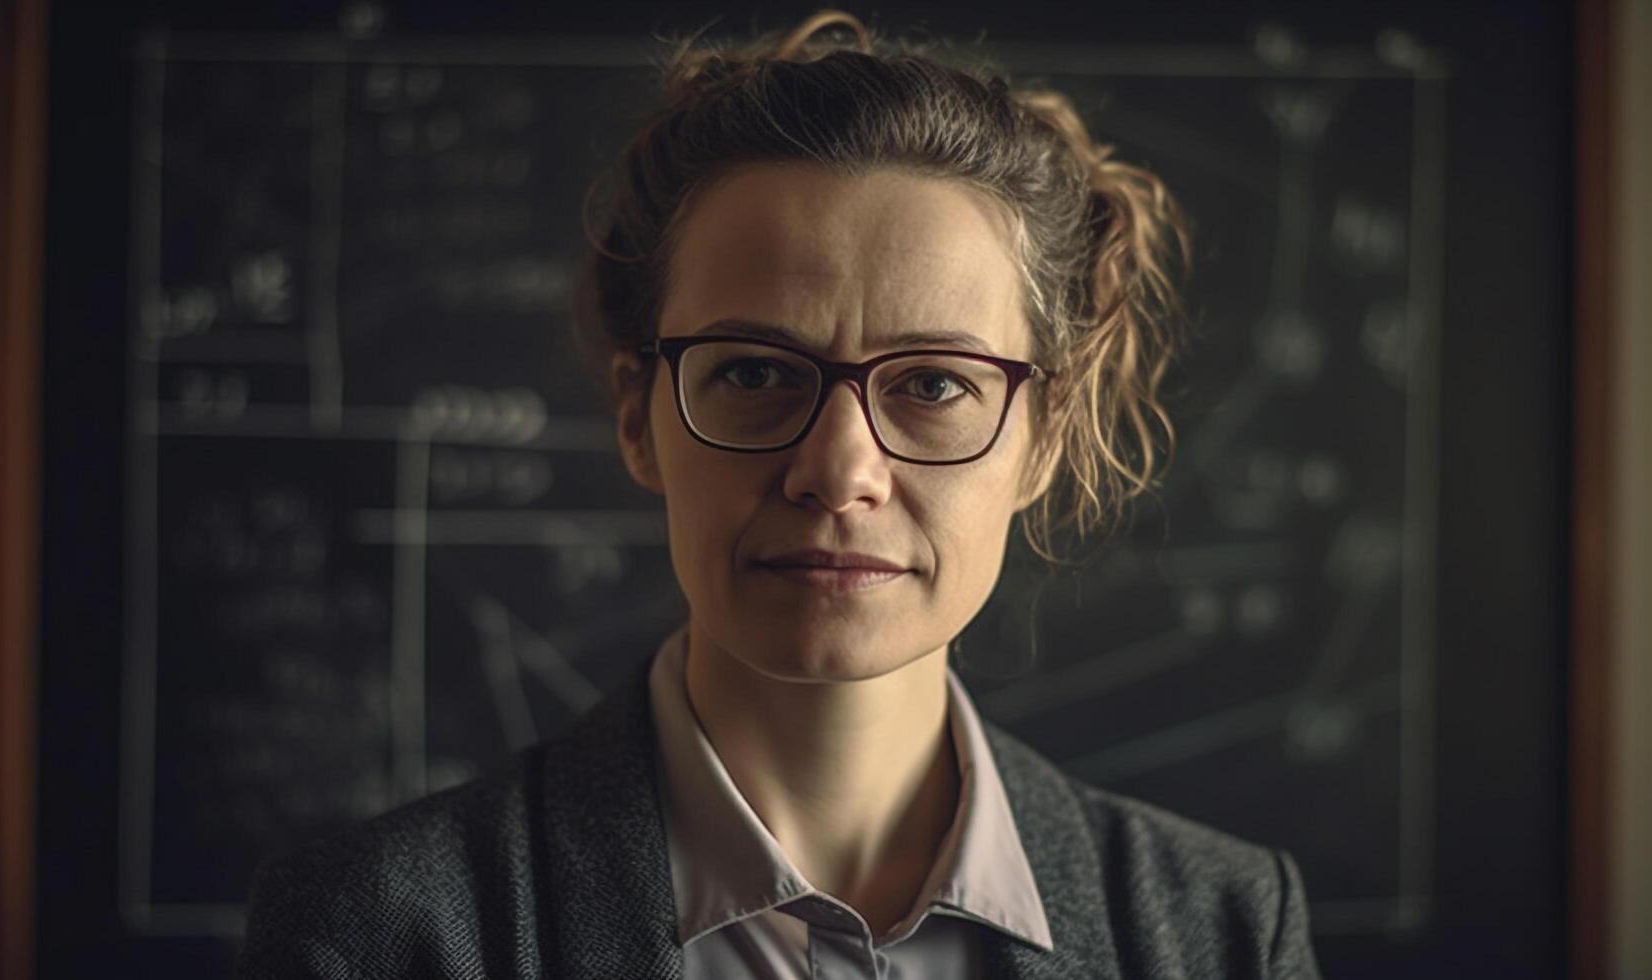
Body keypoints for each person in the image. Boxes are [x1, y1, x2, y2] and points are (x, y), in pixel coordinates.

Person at [238, 10, 1322, 979]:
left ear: (1042, 437)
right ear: (636, 416)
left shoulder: (1222, 930)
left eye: (935, 384)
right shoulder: (380, 936)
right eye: (754, 372)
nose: (838, 470)